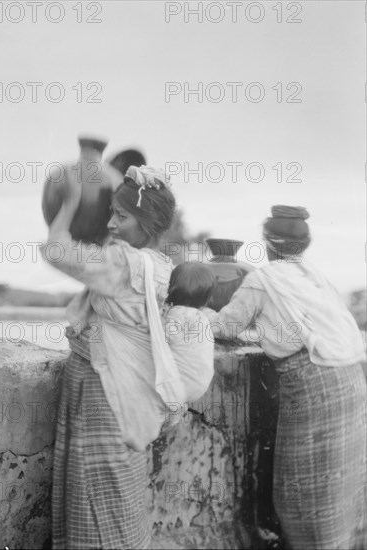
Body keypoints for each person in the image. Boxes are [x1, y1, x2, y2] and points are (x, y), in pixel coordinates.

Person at [41, 165, 184, 550]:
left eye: (121, 216)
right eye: (110, 214)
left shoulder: (124, 263)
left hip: (105, 395)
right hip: (131, 396)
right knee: (120, 498)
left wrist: (69, 204)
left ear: (147, 221)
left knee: (96, 499)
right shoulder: (162, 266)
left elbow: (57, 250)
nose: (112, 223)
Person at [210, 205, 367, 550]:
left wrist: (193, 317)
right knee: (338, 482)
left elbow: (227, 326)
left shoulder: (263, 279)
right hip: (350, 379)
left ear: (267, 243)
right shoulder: (313, 276)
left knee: (304, 485)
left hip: (315, 385)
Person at [162, 261, 216, 404]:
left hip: (178, 386)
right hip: (199, 385)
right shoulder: (202, 317)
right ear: (206, 298)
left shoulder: (178, 314)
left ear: (170, 289)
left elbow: (164, 338)